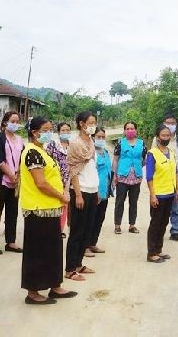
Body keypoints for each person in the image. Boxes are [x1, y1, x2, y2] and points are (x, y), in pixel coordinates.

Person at [19, 117, 77, 304]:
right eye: (45, 130)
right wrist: (61, 196)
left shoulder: (43, 151)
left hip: (50, 208)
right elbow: (41, 183)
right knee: (37, 252)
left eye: (50, 129)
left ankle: (55, 285)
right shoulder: (31, 152)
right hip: (38, 210)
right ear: (34, 132)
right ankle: (32, 291)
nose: (49, 133)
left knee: (53, 250)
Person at [65, 111, 99, 281]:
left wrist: (96, 190)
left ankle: (78, 263)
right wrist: (78, 194)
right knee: (77, 231)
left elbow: (92, 167)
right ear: (81, 124)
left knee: (87, 230)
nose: (93, 126)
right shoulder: (75, 143)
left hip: (92, 190)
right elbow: (73, 170)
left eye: (94, 122)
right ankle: (70, 269)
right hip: (81, 191)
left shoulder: (91, 142)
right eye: (90, 123)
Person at [0, 111, 24, 254]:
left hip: (15, 181)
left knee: (12, 211)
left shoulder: (19, 140)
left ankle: (11, 241)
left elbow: (22, 158)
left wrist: (18, 176)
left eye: (17, 122)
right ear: (5, 123)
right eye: (12, 121)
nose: (15, 124)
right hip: (2, 179)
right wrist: (10, 174)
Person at [146, 125, 178, 263]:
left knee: (164, 223)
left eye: (168, 135)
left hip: (170, 194)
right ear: (158, 137)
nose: (166, 138)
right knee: (155, 223)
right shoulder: (152, 154)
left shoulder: (171, 152)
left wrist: (177, 189)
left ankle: (159, 249)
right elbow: (149, 176)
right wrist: (152, 195)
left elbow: (176, 171)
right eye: (163, 135)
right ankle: (151, 253)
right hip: (158, 195)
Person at [151, 114, 178, 242]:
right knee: (160, 208)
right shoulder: (157, 140)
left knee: (175, 206)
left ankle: (175, 231)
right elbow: (152, 159)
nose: (170, 125)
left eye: (173, 123)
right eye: (168, 122)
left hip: (176, 178)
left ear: (176, 124)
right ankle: (158, 231)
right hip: (161, 179)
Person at [112, 121, 146, 235]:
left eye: (132, 128)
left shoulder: (142, 143)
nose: (130, 130)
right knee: (119, 201)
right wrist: (114, 175)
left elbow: (144, 160)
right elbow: (115, 160)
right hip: (122, 177)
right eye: (128, 128)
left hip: (136, 178)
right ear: (124, 131)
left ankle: (132, 225)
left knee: (133, 202)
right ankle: (117, 225)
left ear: (136, 130)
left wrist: (137, 167)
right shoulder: (120, 143)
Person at [87, 127, 112, 256]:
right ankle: (85, 246)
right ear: (93, 137)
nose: (101, 139)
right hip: (94, 191)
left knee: (99, 219)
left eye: (103, 137)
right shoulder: (91, 153)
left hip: (105, 191)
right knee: (90, 220)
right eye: (98, 137)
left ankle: (93, 243)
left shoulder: (105, 152)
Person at [46, 122, 72, 238]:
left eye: (68, 130)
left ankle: (60, 229)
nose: (66, 132)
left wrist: (67, 185)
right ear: (58, 132)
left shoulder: (72, 146)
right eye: (63, 130)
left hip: (68, 181)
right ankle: (52, 229)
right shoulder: (53, 145)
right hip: (54, 180)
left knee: (64, 205)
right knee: (54, 205)